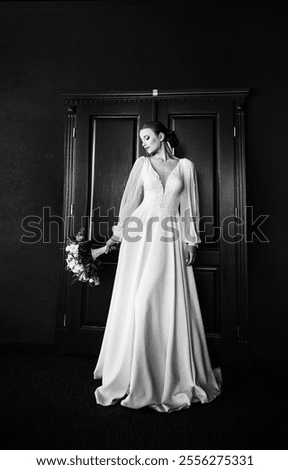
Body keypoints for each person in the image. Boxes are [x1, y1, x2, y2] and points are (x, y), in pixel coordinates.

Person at [93, 121, 222, 412]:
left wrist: (192, 242)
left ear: (161, 136)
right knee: (138, 299)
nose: (144, 143)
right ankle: (133, 374)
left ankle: (168, 376)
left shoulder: (185, 167)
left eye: (148, 137)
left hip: (171, 237)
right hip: (140, 236)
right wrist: (112, 241)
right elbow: (129, 204)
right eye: (141, 139)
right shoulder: (142, 164)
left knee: (164, 300)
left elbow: (189, 207)